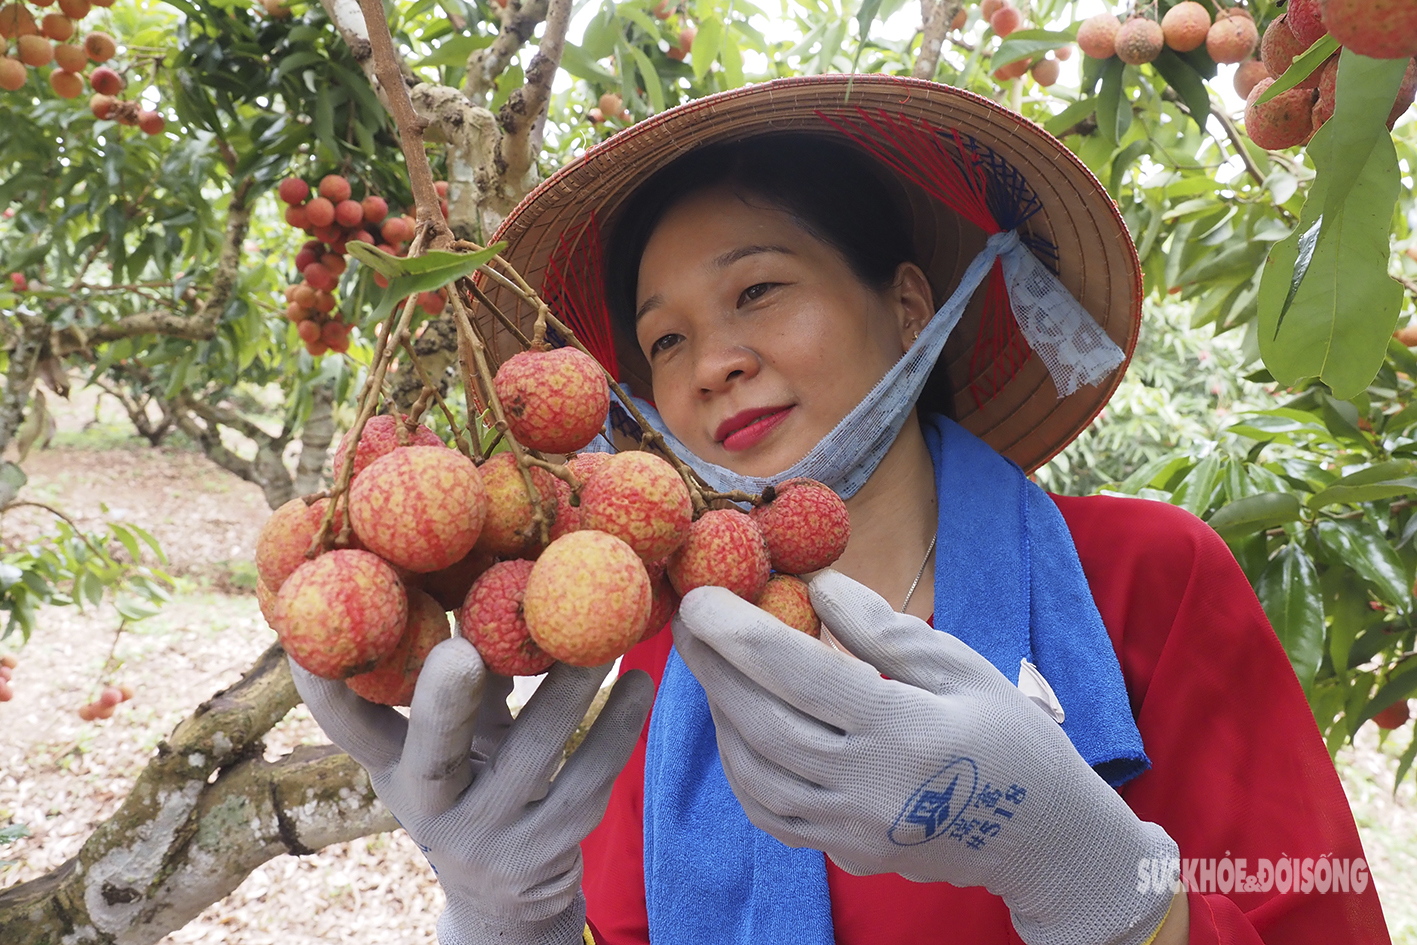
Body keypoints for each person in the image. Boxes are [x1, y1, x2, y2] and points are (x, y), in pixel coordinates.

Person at [291, 75, 1393, 945]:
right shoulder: (651, 668)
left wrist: (1103, 887)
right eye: (665, 340)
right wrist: (500, 923)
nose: (713, 363)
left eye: (758, 289)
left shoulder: (1145, 580)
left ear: (907, 304)